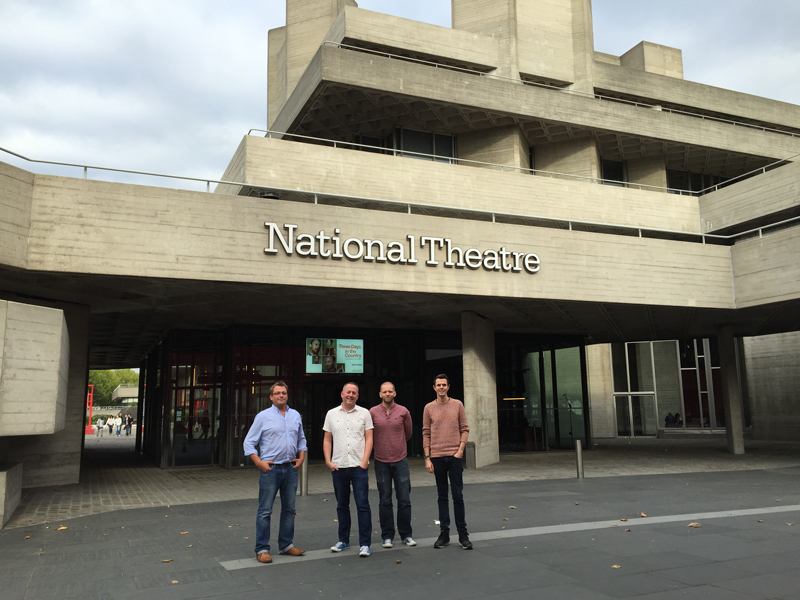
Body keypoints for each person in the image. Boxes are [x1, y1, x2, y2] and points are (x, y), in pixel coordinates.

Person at [243, 381, 307, 564]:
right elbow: (249, 442)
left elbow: (301, 439)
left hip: (290, 469)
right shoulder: (263, 416)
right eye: (277, 393)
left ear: (287, 395)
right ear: (271, 397)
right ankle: (262, 549)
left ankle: (286, 545)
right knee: (265, 510)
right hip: (271, 470)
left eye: (284, 393)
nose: (281, 396)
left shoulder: (295, 415)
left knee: (290, 509)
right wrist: (259, 463)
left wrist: (301, 458)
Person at [323, 382, 374, 557]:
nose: (350, 395)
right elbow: (327, 439)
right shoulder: (331, 414)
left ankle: (365, 543)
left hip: (359, 466)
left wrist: (365, 461)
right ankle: (343, 539)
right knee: (341, 505)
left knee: (363, 505)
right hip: (339, 466)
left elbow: (369, 438)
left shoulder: (364, 413)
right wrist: (328, 461)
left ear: (357, 396)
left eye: (354, 393)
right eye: (348, 392)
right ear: (342, 394)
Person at [423, 373, 472, 550]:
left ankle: (463, 534)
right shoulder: (429, 408)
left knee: (458, 496)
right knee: (442, 496)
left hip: (454, 457)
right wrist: (427, 457)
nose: (441, 387)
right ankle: (444, 534)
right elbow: (426, 432)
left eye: (444, 385)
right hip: (437, 457)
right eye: (439, 385)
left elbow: (465, 428)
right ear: (434, 388)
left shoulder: (457, 405)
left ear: (448, 387)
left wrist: (460, 451)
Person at [369, 382, 415, 549]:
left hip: (400, 460)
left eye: (390, 391)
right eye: (384, 392)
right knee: (385, 500)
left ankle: (406, 535)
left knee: (404, 499)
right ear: (380, 394)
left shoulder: (403, 411)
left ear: (395, 393)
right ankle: (387, 536)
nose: (387, 394)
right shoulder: (372, 412)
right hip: (381, 461)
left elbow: (408, 433)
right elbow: (369, 434)